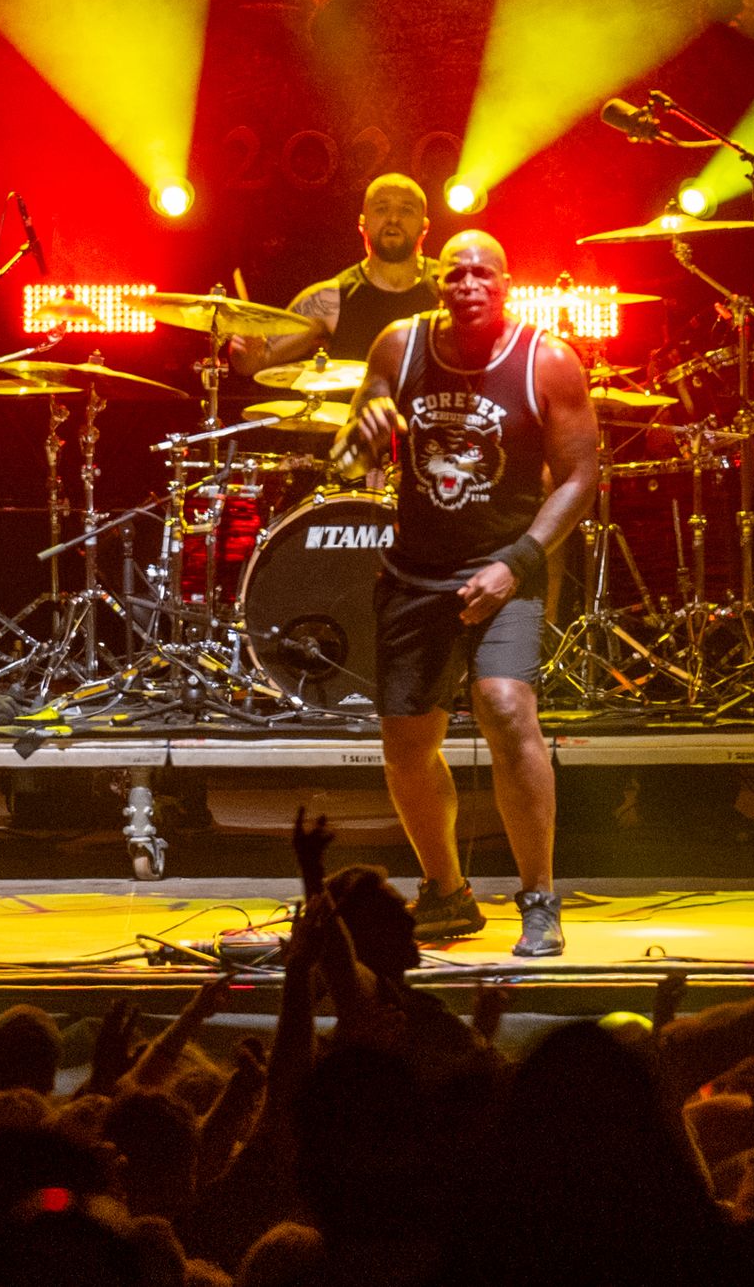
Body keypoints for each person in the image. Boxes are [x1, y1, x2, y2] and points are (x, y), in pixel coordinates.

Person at [345, 229, 600, 957]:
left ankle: (539, 897)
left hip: (504, 566)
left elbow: (583, 475)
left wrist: (518, 562)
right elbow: (352, 453)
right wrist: (360, 432)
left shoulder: (545, 360)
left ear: (506, 282)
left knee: (505, 705)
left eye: (482, 272)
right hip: (413, 570)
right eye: (454, 273)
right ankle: (447, 892)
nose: (467, 284)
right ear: (437, 283)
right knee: (406, 747)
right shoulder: (399, 346)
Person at [263, 173, 445, 371]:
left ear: (424, 226)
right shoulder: (328, 299)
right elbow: (253, 361)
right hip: (354, 403)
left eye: (406, 210)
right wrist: (244, 346)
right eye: (382, 209)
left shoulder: (450, 283)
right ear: (362, 223)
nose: (393, 219)